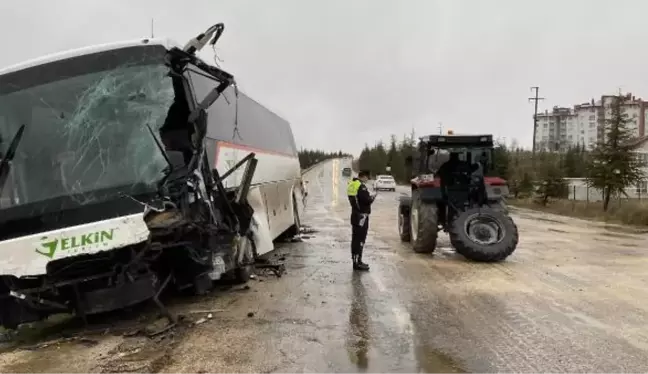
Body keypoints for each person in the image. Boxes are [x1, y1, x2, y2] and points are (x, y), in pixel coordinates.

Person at [346, 170, 375, 271]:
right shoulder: (361, 186)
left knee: (355, 239)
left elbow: (354, 199)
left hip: (355, 215)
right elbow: (366, 200)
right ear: (364, 177)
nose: (367, 180)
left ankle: (355, 261)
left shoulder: (352, 184)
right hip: (362, 216)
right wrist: (372, 198)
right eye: (367, 177)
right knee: (361, 239)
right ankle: (358, 262)